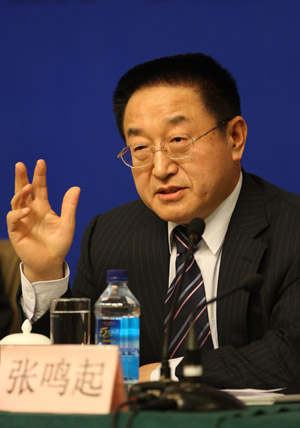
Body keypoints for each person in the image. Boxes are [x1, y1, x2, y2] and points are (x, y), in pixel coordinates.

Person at [7, 53, 300, 393]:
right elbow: (70, 370)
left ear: (234, 137)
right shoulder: (109, 235)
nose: (160, 168)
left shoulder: (291, 228)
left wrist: (166, 375)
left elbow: (291, 354)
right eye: (141, 148)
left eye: (178, 141)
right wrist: (45, 273)